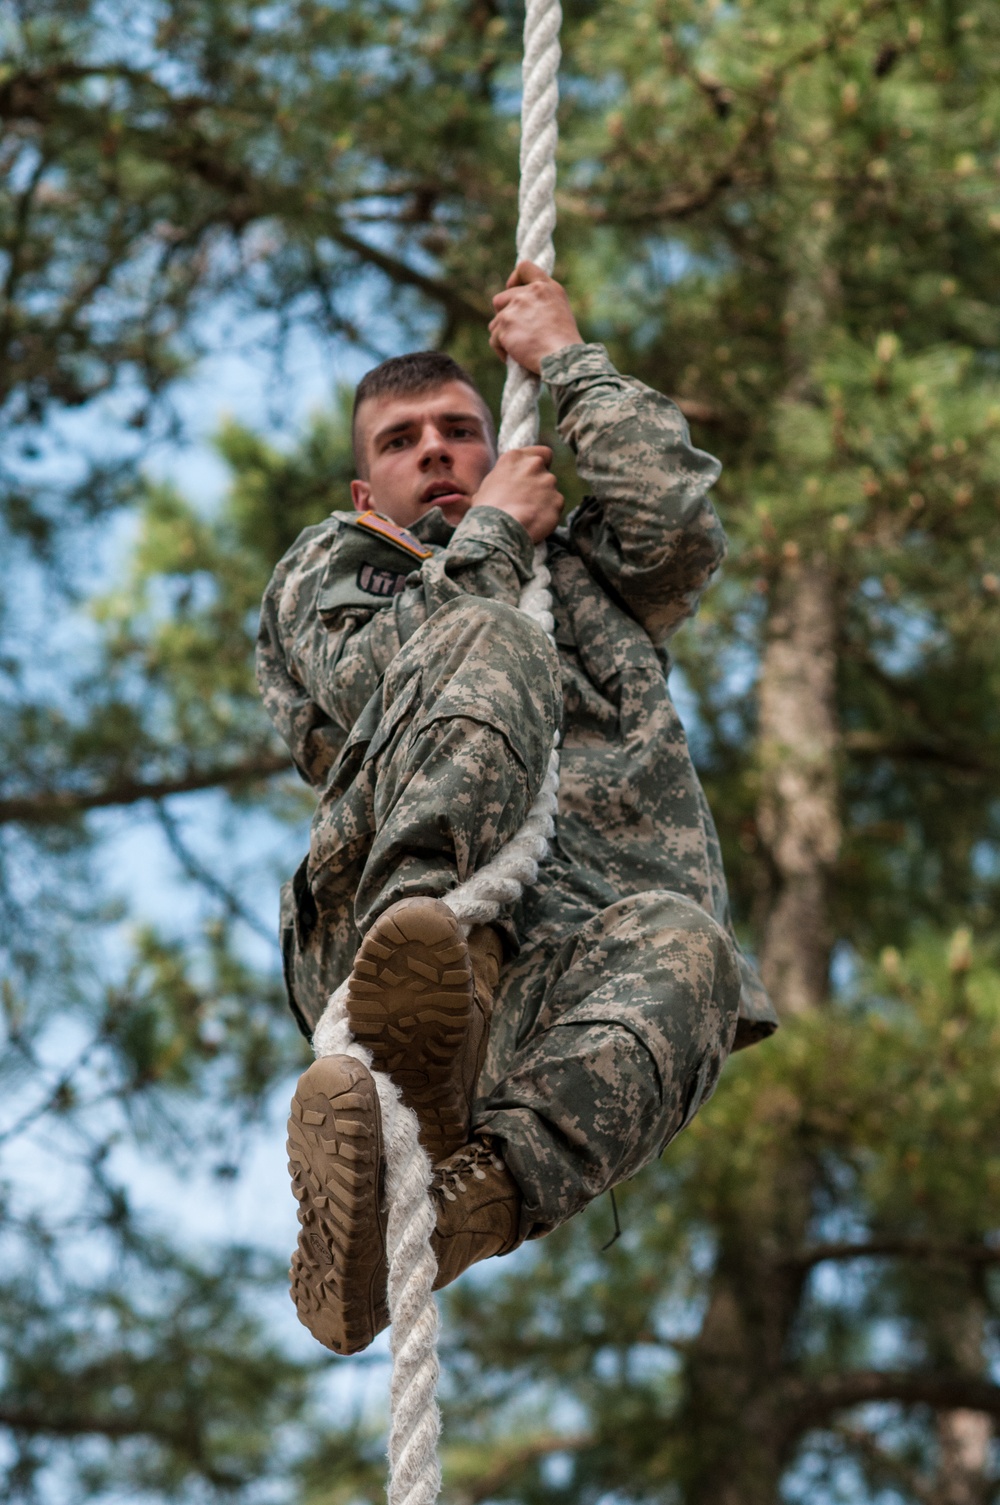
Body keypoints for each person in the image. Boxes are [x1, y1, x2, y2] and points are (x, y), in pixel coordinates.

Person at [256, 263, 778, 1357]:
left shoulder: (585, 574)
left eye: (458, 428)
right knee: (489, 632)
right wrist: (488, 537)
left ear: (507, 448)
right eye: (400, 441)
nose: (436, 450)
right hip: (387, 912)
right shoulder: (338, 565)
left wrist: (567, 362)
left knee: (696, 951)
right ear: (365, 492)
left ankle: (439, 1223)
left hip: (564, 974)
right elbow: (374, 679)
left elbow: (680, 525)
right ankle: (427, 969)